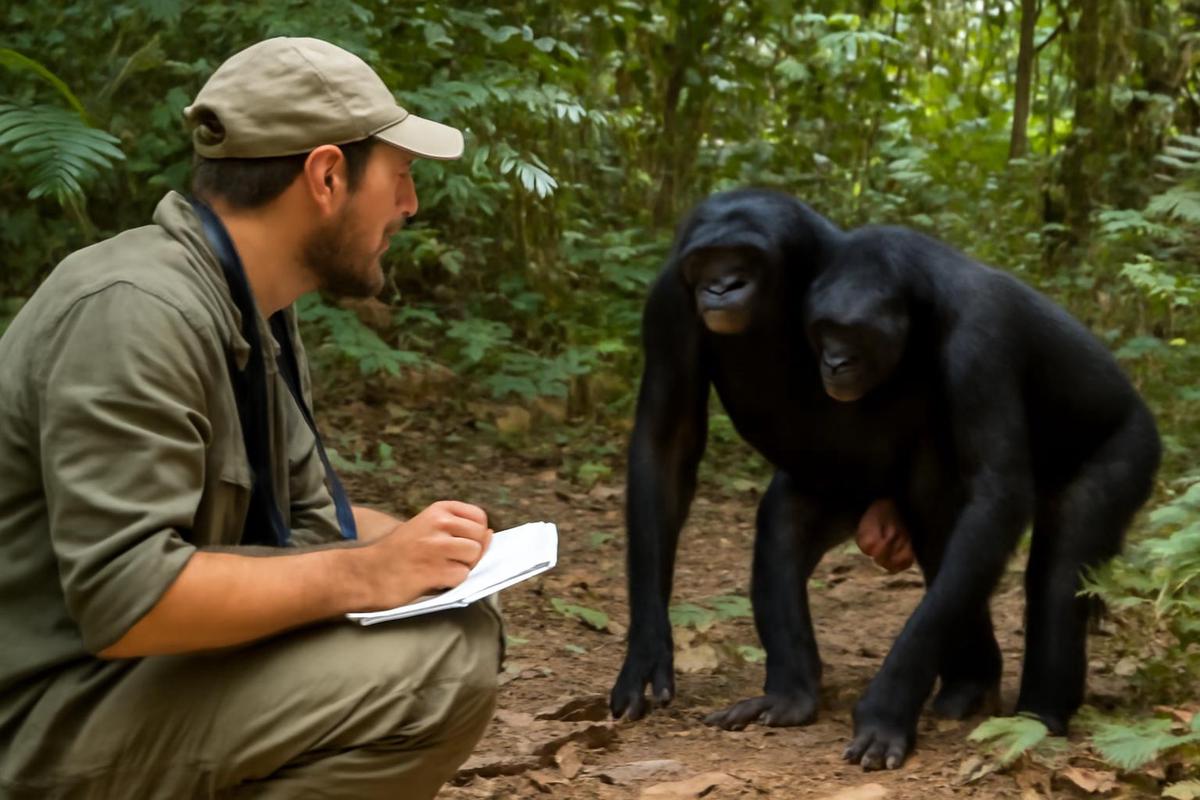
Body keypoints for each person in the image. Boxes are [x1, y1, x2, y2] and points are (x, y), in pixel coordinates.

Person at [0, 37, 502, 799]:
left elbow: (305, 517)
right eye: (399, 178)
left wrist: (442, 553)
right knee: (434, 667)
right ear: (327, 175)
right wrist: (371, 573)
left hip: (124, 682)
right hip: (40, 715)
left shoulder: (247, 305)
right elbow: (128, 599)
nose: (410, 205)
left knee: (459, 620)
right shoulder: (135, 311)